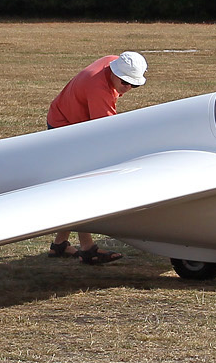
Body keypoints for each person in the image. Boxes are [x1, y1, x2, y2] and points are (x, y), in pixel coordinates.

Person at [46, 51, 147, 264]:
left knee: (77, 186)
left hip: (76, 123)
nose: (128, 88)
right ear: (114, 72)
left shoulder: (112, 62)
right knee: (83, 186)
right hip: (64, 128)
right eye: (125, 82)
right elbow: (107, 135)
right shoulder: (99, 90)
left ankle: (59, 245)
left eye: (134, 85)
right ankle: (88, 248)